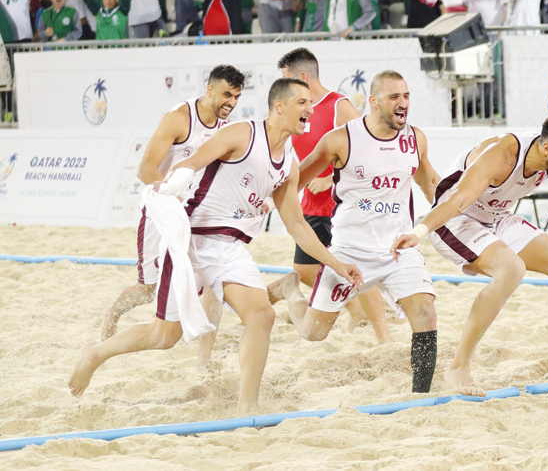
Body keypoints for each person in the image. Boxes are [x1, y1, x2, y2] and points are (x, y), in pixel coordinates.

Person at [70, 78, 364, 416]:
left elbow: (296, 225)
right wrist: (173, 187)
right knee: (165, 337)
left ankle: (246, 407)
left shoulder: (290, 164)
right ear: (279, 106)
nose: (310, 109)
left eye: (311, 103)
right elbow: (190, 163)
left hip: (231, 248)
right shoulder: (242, 133)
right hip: (193, 243)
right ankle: (96, 353)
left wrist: (336, 264)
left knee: (261, 315)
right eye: (302, 102)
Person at [392, 115, 548, 394]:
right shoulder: (502, 154)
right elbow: (458, 200)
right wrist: (418, 233)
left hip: (496, 217)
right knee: (511, 269)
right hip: (456, 220)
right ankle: (458, 366)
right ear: (547, 149)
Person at [271, 71, 441, 392]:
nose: (403, 104)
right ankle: (289, 290)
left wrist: (456, 212)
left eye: (406, 96)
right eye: (394, 98)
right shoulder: (340, 139)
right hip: (349, 252)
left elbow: (429, 181)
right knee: (313, 332)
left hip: (397, 248)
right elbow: (295, 182)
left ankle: (422, 394)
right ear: (374, 102)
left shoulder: (415, 138)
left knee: (425, 313)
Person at [99, 65, 247, 374]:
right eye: (226, 94)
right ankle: (110, 318)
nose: (231, 101)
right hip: (162, 212)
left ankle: (203, 364)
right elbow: (145, 170)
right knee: (149, 290)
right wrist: (173, 199)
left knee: (212, 285)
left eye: (236, 96)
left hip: (196, 215)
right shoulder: (180, 118)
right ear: (209, 90)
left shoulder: (226, 126)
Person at [275, 48, 388, 341]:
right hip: (310, 202)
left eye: (287, 79)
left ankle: (383, 335)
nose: (284, 87)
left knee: (356, 267)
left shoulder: (339, 106)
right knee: (306, 269)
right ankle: (356, 310)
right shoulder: (299, 110)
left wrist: (329, 180)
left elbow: (368, 152)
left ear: (303, 77)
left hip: (339, 203)